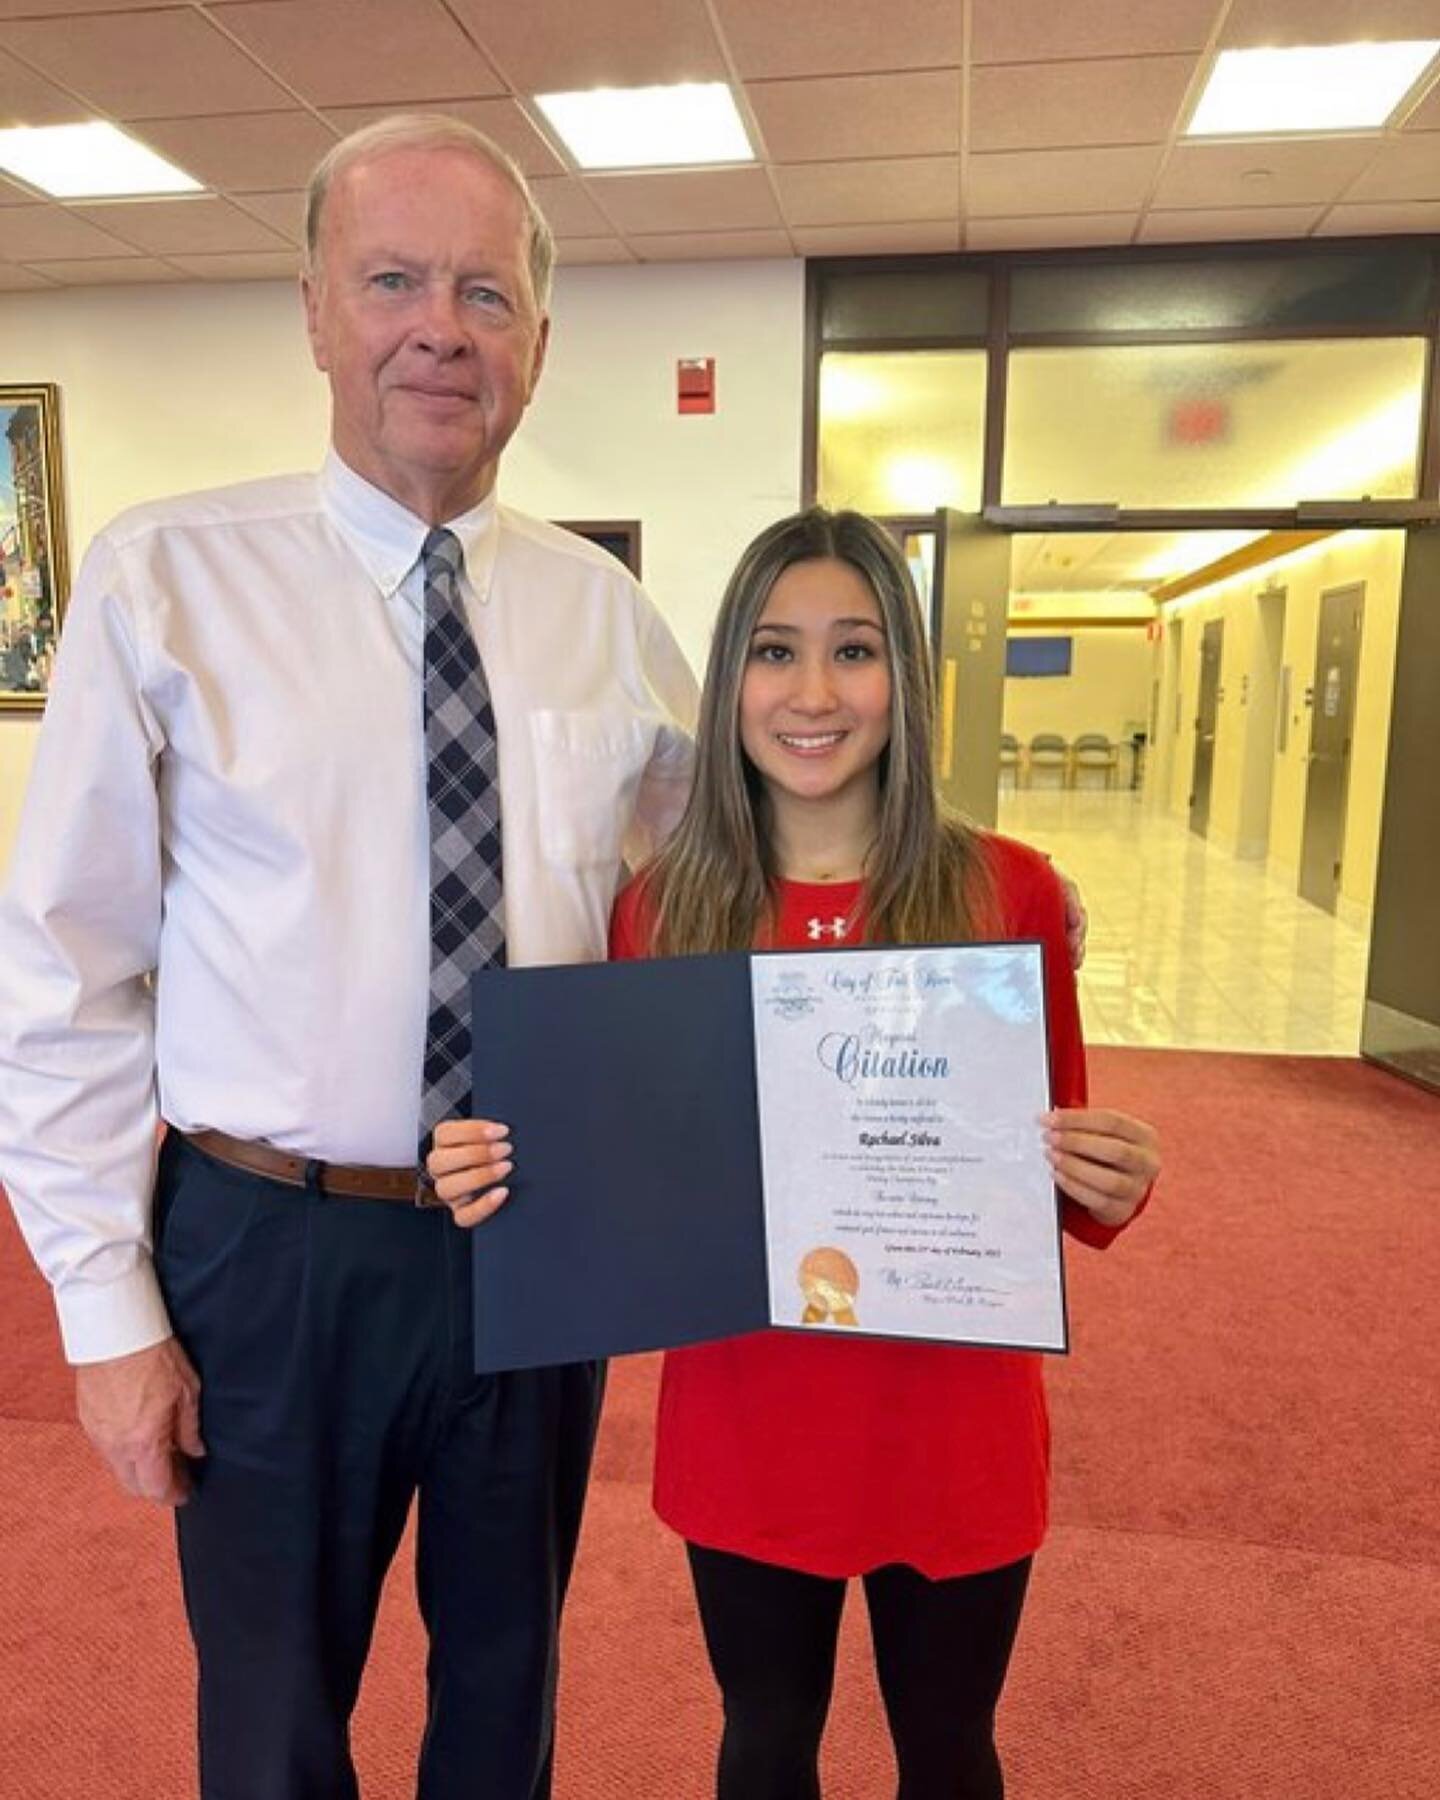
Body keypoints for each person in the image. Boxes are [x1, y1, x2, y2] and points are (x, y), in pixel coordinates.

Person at [0, 116, 697, 1799]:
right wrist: (106, 1312)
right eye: (392, 281)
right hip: (269, 1252)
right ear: (315, 309)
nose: (438, 329)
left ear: (539, 337)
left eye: (484, 290)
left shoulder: (608, 619)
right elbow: (66, 973)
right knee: (271, 1717)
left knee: (507, 1694)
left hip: (537, 1235)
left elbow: (725, 886)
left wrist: (945, 922)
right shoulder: (166, 581)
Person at [428, 507, 1159, 1799]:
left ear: (906, 682)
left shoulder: (1011, 893)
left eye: (855, 651)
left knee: (950, 1749)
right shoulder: (663, 908)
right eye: (773, 653)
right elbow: (622, 1170)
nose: (813, 693)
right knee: (765, 1741)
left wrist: (1109, 1173)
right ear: (729, 688)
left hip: (954, 1414)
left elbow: (1053, 1175)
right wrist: (504, 1170)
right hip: (753, 1411)